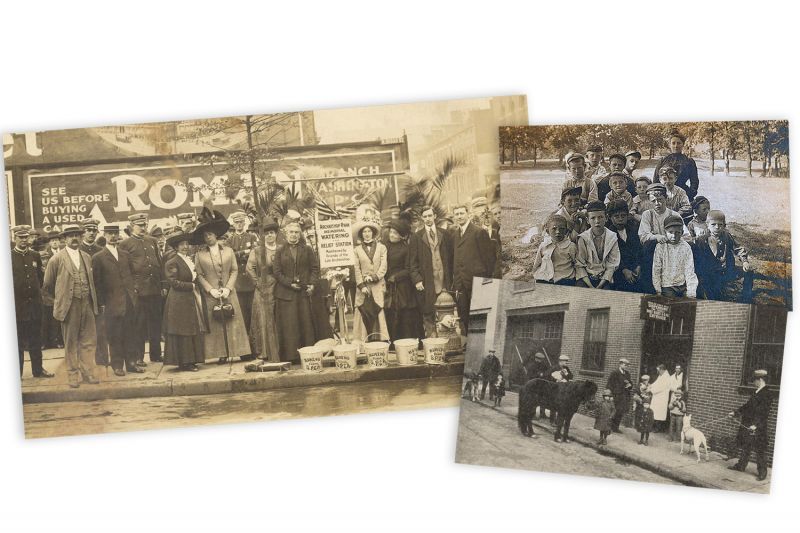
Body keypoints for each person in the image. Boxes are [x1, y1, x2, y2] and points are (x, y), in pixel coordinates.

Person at [42, 224, 100, 388]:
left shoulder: (86, 257)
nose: (74, 238)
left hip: (86, 303)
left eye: (77, 235)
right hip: (69, 305)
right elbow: (47, 286)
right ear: (64, 239)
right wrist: (59, 303)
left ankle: (88, 372)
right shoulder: (56, 259)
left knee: (89, 340)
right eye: (70, 236)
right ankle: (73, 375)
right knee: (71, 342)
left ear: (81, 237)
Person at [193, 209, 251, 364]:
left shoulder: (229, 251)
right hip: (211, 294)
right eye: (205, 236)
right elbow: (199, 275)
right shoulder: (199, 255)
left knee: (234, 321)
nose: (208, 238)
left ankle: (240, 351)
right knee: (216, 323)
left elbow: (234, 269)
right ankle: (221, 353)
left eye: (210, 235)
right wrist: (210, 289)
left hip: (228, 292)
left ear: (216, 235)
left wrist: (228, 288)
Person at [91, 224, 142, 376]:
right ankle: (117, 365)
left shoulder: (125, 254)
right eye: (109, 233)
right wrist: (102, 304)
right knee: (115, 335)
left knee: (131, 333)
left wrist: (135, 290)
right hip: (111, 303)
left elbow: (134, 275)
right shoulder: (98, 257)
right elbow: (97, 283)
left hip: (129, 301)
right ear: (104, 235)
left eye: (115, 233)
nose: (113, 236)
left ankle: (132, 363)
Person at [119, 213, 164, 365]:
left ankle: (156, 354)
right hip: (139, 292)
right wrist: (133, 289)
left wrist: (162, 284)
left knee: (156, 323)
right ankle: (138, 357)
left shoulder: (152, 241)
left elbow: (159, 263)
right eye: (140, 225)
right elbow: (125, 270)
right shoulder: (125, 244)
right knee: (139, 325)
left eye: (145, 225)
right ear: (132, 226)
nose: (143, 228)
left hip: (155, 289)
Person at [11, 225, 54, 379]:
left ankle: (38, 370)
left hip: (35, 306)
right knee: (18, 343)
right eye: (20, 237)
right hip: (17, 307)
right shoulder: (8, 257)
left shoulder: (35, 255)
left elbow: (40, 279)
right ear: (14, 238)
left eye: (25, 237)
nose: (23, 240)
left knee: (36, 339)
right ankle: (17, 373)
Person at [273, 221, 318, 363]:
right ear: (286, 234)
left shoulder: (307, 249)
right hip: (286, 294)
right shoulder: (280, 250)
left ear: (300, 234)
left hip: (303, 293)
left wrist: (311, 284)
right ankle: (291, 357)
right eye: (291, 232)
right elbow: (277, 272)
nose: (294, 235)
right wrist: (289, 283)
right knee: (290, 325)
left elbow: (315, 269)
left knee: (305, 324)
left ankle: (308, 355)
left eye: (296, 232)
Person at [162, 231, 206, 372]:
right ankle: (185, 362)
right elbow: (174, 282)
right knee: (183, 330)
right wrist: (191, 286)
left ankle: (191, 360)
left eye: (186, 244)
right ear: (176, 247)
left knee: (191, 327)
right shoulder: (172, 262)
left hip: (188, 298)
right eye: (181, 245)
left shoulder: (188, 259)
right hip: (178, 300)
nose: (185, 247)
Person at [409, 206, 453, 338]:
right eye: (425, 216)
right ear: (422, 218)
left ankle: (448, 340)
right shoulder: (417, 237)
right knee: (428, 312)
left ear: (434, 216)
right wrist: (417, 280)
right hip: (428, 281)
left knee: (446, 310)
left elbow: (451, 257)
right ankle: (433, 342)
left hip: (444, 279)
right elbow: (412, 262)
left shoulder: (445, 234)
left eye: (430, 216)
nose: (428, 219)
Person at [451, 204, 495, 333]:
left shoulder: (478, 232)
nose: (459, 216)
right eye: (457, 214)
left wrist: (486, 280)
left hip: (477, 281)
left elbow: (489, 259)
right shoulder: (454, 235)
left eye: (461, 213)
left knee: (479, 314)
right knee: (464, 314)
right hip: (461, 283)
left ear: (468, 214)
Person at [638, 183, 688, 293]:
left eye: (660, 200)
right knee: (648, 245)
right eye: (653, 201)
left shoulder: (673, 214)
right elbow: (643, 235)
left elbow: (685, 235)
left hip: (673, 248)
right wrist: (656, 237)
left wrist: (671, 240)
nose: (657, 204)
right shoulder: (647, 214)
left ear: (666, 198)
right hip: (655, 250)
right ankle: (649, 288)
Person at [693, 210, 750, 302]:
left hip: (726, 270)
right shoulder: (701, 240)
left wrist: (745, 261)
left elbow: (738, 248)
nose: (717, 227)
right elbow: (698, 261)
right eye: (713, 224)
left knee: (749, 272)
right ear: (707, 224)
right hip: (711, 274)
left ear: (724, 225)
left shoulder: (726, 236)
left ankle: (746, 297)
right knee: (715, 296)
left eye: (720, 225)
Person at [728, 369, 774, 481]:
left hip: (757, 426)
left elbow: (764, 412)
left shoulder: (766, 394)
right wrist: (736, 412)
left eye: (755, 380)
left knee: (759, 449)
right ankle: (741, 466)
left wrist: (756, 425)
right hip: (748, 424)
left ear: (760, 380)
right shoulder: (756, 392)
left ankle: (762, 472)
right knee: (746, 446)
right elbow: (747, 406)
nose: (753, 383)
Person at [246, 218, 281, 363]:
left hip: (280, 286)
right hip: (264, 288)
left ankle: (279, 350)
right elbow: (249, 268)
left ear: (276, 234)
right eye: (266, 234)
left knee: (278, 317)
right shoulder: (257, 250)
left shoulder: (281, 249)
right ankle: (264, 352)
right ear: (262, 236)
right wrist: (257, 283)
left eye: (272, 233)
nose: (269, 236)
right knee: (263, 318)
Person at [352, 215, 389, 343]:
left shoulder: (381, 247)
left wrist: (374, 277)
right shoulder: (356, 250)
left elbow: (384, 266)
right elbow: (356, 269)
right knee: (362, 309)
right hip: (363, 287)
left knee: (378, 308)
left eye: (369, 231)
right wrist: (361, 285)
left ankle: (380, 339)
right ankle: (362, 341)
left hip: (378, 284)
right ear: (361, 234)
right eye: (364, 232)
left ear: (373, 233)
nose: (367, 234)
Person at [384, 219, 419, 343]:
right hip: (387, 286)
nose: (391, 235)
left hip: (402, 287)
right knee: (389, 314)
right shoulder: (384, 246)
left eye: (395, 233)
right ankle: (392, 343)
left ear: (401, 235)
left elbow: (409, 269)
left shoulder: (405, 248)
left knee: (404, 315)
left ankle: (406, 343)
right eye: (391, 232)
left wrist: (396, 277)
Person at [227, 210, 259, 345]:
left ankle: (254, 343)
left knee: (253, 312)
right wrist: (245, 252)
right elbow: (230, 257)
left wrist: (238, 254)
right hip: (238, 281)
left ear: (244, 223)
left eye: (241, 222)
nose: (239, 224)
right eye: (237, 222)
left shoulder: (251, 237)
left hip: (250, 279)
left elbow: (255, 253)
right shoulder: (229, 240)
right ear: (233, 224)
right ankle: (245, 344)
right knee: (241, 314)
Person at [575, 201, 619, 289]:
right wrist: (590, 286)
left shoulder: (612, 237)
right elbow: (580, 264)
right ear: (587, 220)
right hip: (586, 278)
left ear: (606, 218)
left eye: (600, 217)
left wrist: (600, 285)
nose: (597, 221)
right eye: (593, 218)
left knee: (606, 295)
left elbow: (612, 265)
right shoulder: (583, 238)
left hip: (604, 278)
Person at [652, 215, 698, 298]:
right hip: (667, 285)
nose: (674, 236)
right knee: (672, 305)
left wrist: (691, 291)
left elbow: (689, 270)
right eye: (670, 232)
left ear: (682, 232)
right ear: (665, 231)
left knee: (688, 303)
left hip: (682, 285)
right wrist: (658, 289)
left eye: (678, 232)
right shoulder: (661, 247)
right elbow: (656, 269)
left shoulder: (686, 247)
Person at [606, 200, 642, 293]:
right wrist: (624, 270)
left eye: (623, 216)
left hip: (635, 267)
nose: (620, 219)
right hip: (619, 269)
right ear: (610, 217)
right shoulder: (609, 233)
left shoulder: (633, 228)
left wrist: (638, 265)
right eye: (616, 216)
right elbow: (612, 257)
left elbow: (639, 249)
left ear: (627, 216)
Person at [653, 131, 699, 202]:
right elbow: (656, 179)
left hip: (683, 194)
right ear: (670, 145)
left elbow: (694, 181)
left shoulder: (689, 161)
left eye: (679, 143)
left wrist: (689, 194)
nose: (676, 146)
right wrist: (660, 194)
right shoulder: (663, 160)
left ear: (683, 144)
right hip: (665, 195)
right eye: (673, 143)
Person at [305, 228, 334, 341]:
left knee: (324, 310)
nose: (311, 239)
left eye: (313, 236)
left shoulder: (322, 250)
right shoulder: (306, 249)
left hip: (323, 282)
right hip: (310, 283)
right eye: (309, 237)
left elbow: (326, 266)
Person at [532, 215, 576, 285]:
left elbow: (576, 264)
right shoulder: (543, 245)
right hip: (545, 277)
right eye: (554, 229)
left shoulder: (571, 246)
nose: (558, 232)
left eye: (562, 229)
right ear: (547, 231)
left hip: (565, 278)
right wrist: (534, 273)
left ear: (566, 231)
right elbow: (537, 262)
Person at [606, 357, 633, 432]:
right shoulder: (615, 373)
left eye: (627, 365)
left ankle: (615, 427)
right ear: (620, 364)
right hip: (616, 395)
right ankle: (609, 427)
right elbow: (609, 384)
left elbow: (630, 383)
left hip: (624, 396)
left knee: (620, 412)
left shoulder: (627, 374)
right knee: (614, 411)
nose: (626, 366)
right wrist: (610, 395)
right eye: (625, 364)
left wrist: (630, 385)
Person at [649, 364, 671, 432]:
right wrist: (650, 386)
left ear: (662, 370)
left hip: (662, 397)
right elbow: (656, 383)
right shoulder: (661, 376)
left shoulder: (667, 377)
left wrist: (651, 390)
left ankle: (658, 428)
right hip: (657, 397)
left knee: (659, 413)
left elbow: (661, 387)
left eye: (659, 370)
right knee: (655, 411)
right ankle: (654, 427)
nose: (658, 372)